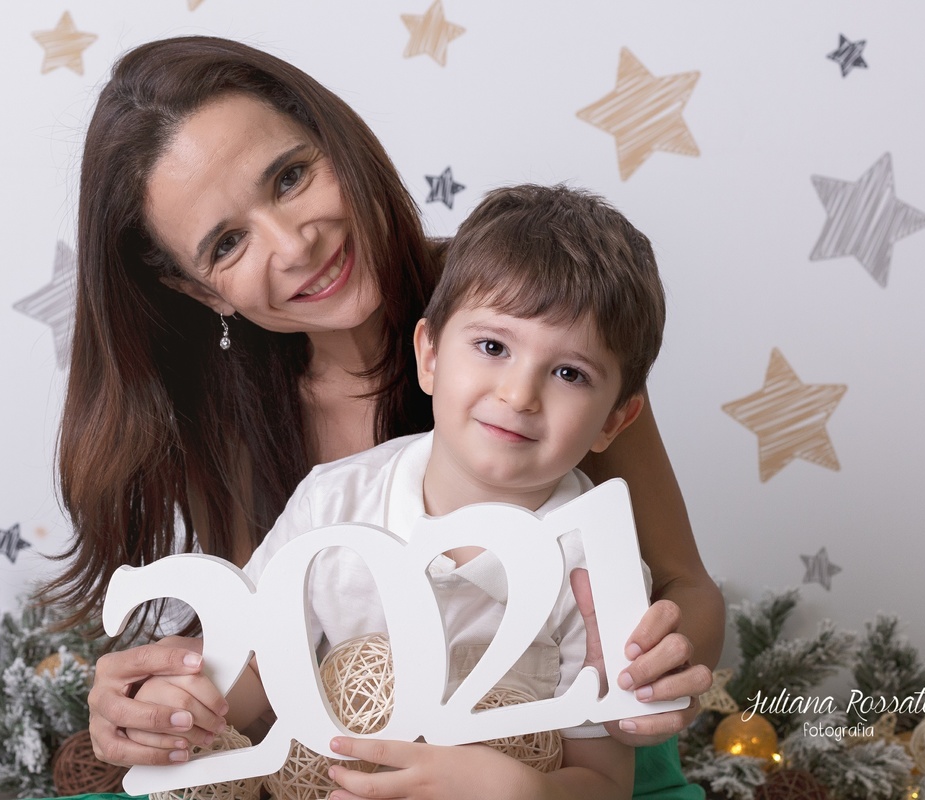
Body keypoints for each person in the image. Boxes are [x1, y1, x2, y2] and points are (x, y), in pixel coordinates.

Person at [40, 34, 721, 795]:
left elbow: (684, 585)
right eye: (228, 243)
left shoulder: (531, 310)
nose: (295, 245)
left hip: (555, 759)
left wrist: (653, 673)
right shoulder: (231, 416)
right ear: (201, 290)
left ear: (337, 140)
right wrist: (156, 710)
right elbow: (258, 660)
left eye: (292, 177)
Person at [135, 182, 672, 800]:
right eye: (492, 346)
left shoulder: (595, 569)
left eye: (569, 373)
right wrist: (189, 701)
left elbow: (603, 782)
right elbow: (256, 663)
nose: (519, 395)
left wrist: (522, 792)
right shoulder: (333, 504)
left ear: (613, 422)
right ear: (431, 356)